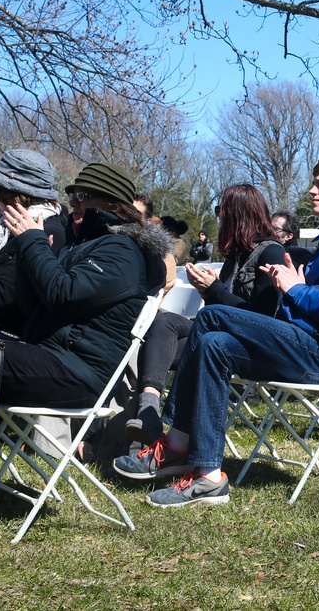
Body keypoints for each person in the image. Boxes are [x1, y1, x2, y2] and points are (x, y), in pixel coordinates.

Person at [112, 156, 319, 508]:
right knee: (214, 344)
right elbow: (311, 305)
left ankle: (177, 445)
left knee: (214, 315)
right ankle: (208, 476)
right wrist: (294, 291)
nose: (311, 190)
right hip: (305, 345)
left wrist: (298, 290)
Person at [0, 162, 169, 417]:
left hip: (77, 373)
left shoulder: (121, 250)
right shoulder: (82, 244)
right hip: (46, 356)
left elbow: (62, 294)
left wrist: (33, 242)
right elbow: (36, 304)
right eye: (72, 195)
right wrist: (30, 259)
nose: (74, 203)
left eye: (83, 196)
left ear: (112, 204)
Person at [126, 184, 287, 446]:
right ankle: (149, 410)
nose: (219, 217)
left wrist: (216, 290)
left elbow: (262, 316)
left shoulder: (271, 252)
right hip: (219, 333)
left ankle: (160, 437)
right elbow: (221, 305)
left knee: (164, 345)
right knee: (162, 323)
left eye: (221, 210)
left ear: (239, 214)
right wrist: (208, 290)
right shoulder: (236, 255)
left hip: (246, 345)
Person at [0, 149, 66, 333]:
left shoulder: (42, 230)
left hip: (1, 332)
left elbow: (4, 295)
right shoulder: (6, 226)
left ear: (9, 192)